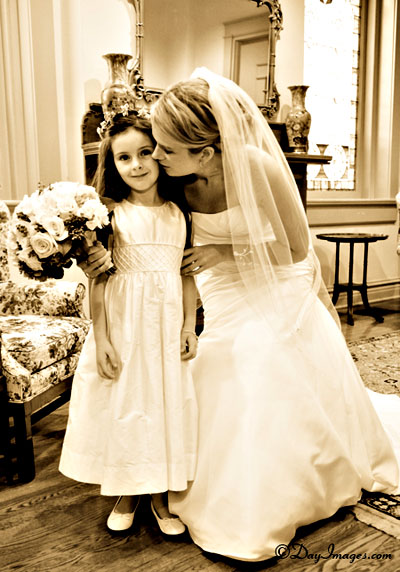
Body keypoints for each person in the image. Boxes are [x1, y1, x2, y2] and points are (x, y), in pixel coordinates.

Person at [83, 69, 400, 561]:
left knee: (255, 356)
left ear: (204, 153)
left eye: (164, 148)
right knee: (207, 365)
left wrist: (226, 255)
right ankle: (158, 477)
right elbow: (131, 218)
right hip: (216, 286)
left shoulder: (256, 167)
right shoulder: (167, 173)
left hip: (278, 276)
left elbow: (296, 250)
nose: (155, 156)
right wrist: (89, 249)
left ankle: (276, 488)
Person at [59, 113, 198, 536]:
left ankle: (159, 494)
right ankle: (126, 490)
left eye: (143, 153)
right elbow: (98, 284)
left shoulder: (180, 214)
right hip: (123, 328)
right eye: (124, 158)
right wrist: (101, 339)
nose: (136, 165)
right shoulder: (107, 216)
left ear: (159, 154)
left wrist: (190, 325)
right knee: (126, 408)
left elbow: (187, 275)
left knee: (162, 406)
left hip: (166, 327)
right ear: (112, 164)